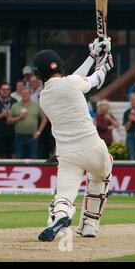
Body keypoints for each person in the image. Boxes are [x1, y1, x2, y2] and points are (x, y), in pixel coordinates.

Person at [34, 37, 114, 241]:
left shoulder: (44, 97)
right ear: (60, 65)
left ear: (39, 73)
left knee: (64, 195)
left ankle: (59, 217)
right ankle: (90, 224)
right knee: (100, 176)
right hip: (93, 148)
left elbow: (69, 82)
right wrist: (105, 64)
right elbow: (95, 80)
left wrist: (93, 56)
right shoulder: (72, 83)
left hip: (67, 154)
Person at [7, 88, 47, 159]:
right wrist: (18, 117)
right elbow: (8, 121)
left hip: (33, 137)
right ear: (21, 95)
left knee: (33, 159)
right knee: (20, 159)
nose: (25, 95)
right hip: (19, 137)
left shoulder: (36, 105)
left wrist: (38, 132)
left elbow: (44, 118)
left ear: (30, 94)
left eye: (27, 93)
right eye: (23, 93)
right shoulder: (15, 106)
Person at [123, 93, 135, 160]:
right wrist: (130, 120)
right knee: (132, 155)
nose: (134, 101)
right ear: (130, 101)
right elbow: (126, 127)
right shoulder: (126, 112)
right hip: (130, 136)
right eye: (132, 100)